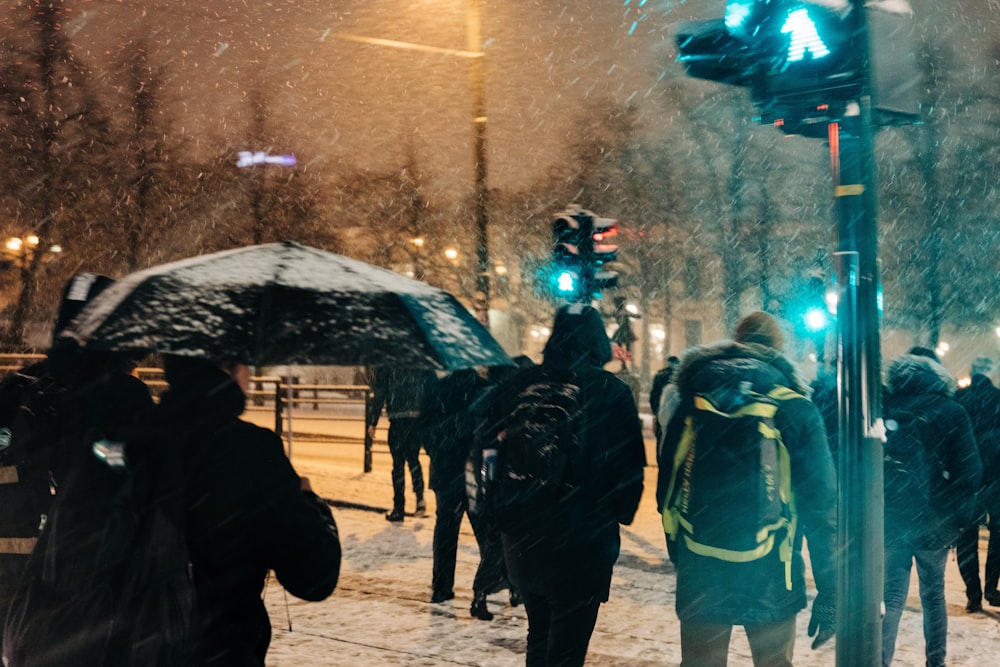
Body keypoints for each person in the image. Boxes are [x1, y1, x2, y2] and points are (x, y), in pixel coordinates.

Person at [656, 311, 838, 666]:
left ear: (735, 343)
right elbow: (822, 505)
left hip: (702, 566)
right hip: (772, 571)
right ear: (778, 351)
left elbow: (669, 488)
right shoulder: (795, 407)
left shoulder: (690, 401)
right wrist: (830, 589)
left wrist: (684, 556)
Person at [152, 355, 341, 665]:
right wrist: (309, 503)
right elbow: (314, 577)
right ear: (227, 368)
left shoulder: (139, 437)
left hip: (143, 646)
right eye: (245, 364)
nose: (251, 375)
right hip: (223, 650)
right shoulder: (251, 450)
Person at [485, 303, 646, 666]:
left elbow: (488, 452)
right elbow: (629, 467)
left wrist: (501, 514)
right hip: (582, 539)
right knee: (568, 647)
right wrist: (620, 512)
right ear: (598, 340)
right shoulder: (609, 391)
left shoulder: (517, 384)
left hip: (524, 538)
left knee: (539, 632)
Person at [0, 274, 153, 643]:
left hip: (9, 575)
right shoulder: (122, 396)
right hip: (87, 579)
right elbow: (136, 478)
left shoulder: (18, 387)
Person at [881, 347, 981, 667]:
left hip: (892, 519)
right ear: (937, 372)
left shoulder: (885, 405)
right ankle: (935, 662)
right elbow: (970, 471)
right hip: (934, 522)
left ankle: (880, 661)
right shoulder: (951, 410)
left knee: (891, 598)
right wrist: (956, 520)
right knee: (933, 596)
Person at [422, 367, 493, 611]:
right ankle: (485, 587)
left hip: (444, 472)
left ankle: (442, 587)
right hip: (473, 473)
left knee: (445, 531)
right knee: (485, 531)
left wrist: (439, 452)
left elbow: (424, 430)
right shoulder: (483, 390)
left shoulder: (438, 389)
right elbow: (487, 433)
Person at [953, 356, 1000, 612]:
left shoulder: (959, 399)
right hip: (996, 478)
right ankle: (993, 588)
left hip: (967, 479)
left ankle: (974, 592)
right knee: (998, 535)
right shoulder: (998, 399)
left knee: (967, 537)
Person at [366, 367, 437, 522]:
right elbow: (431, 390)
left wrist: (373, 422)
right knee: (414, 460)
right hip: (415, 420)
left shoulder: (388, 365)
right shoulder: (419, 363)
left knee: (398, 465)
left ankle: (399, 508)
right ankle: (420, 500)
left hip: (397, 420)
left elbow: (379, 394)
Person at [649, 355, 680, 446]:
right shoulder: (681, 376)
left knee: (660, 440)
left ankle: (660, 457)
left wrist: (656, 411)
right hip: (676, 415)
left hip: (661, 412)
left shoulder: (660, 376)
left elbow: (653, 396)